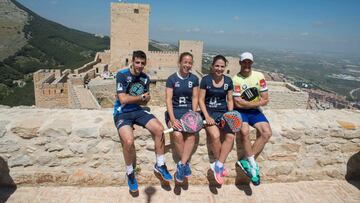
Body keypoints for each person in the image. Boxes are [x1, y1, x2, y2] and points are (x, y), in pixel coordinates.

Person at [113, 50, 172, 192]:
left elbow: (145, 102)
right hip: (122, 112)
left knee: (159, 130)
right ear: (132, 61)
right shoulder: (122, 75)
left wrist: (146, 99)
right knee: (128, 141)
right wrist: (141, 98)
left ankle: (160, 164)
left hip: (138, 111)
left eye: (142, 63)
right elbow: (123, 99)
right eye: (137, 62)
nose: (140, 66)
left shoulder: (145, 78)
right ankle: (130, 172)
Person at [232, 52, 272, 186]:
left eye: (249, 62)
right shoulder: (236, 79)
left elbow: (266, 99)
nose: (247, 65)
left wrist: (249, 104)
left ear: (252, 63)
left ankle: (246, 160)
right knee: (244, 132)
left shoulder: (259, 76)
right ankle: (252, 163)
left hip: (254, 111)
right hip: (240, 112)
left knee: (267, 133)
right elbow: (237, 103)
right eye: (244, 62)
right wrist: (256, 102)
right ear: (240, 63)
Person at [198, 55, 234, 185]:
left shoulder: (228, 81)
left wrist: (230, 115)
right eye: (217, 66)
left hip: (223, 114)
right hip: (209, 113)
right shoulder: (206, 80)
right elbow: (201, 100)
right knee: (215, 135)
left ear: (225, 67)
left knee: (230, 136)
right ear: (212, 66)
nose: (219, 68)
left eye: (222, 66)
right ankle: (220, 166)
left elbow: (229, 100)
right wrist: (207, 116)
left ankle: (218, 165)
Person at [165, 52, 199, 183]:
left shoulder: (194, 79)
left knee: (191, 135)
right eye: (185, 62)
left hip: (188, 113)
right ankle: (185, 165)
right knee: (177, 135)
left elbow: (195, 97)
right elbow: (168, 100)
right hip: (174, 113)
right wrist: (173, 120)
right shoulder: (172, 79)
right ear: (179, 63)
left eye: (190, 63)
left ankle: (182, 165)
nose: (187, 65)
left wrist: (193, 114)